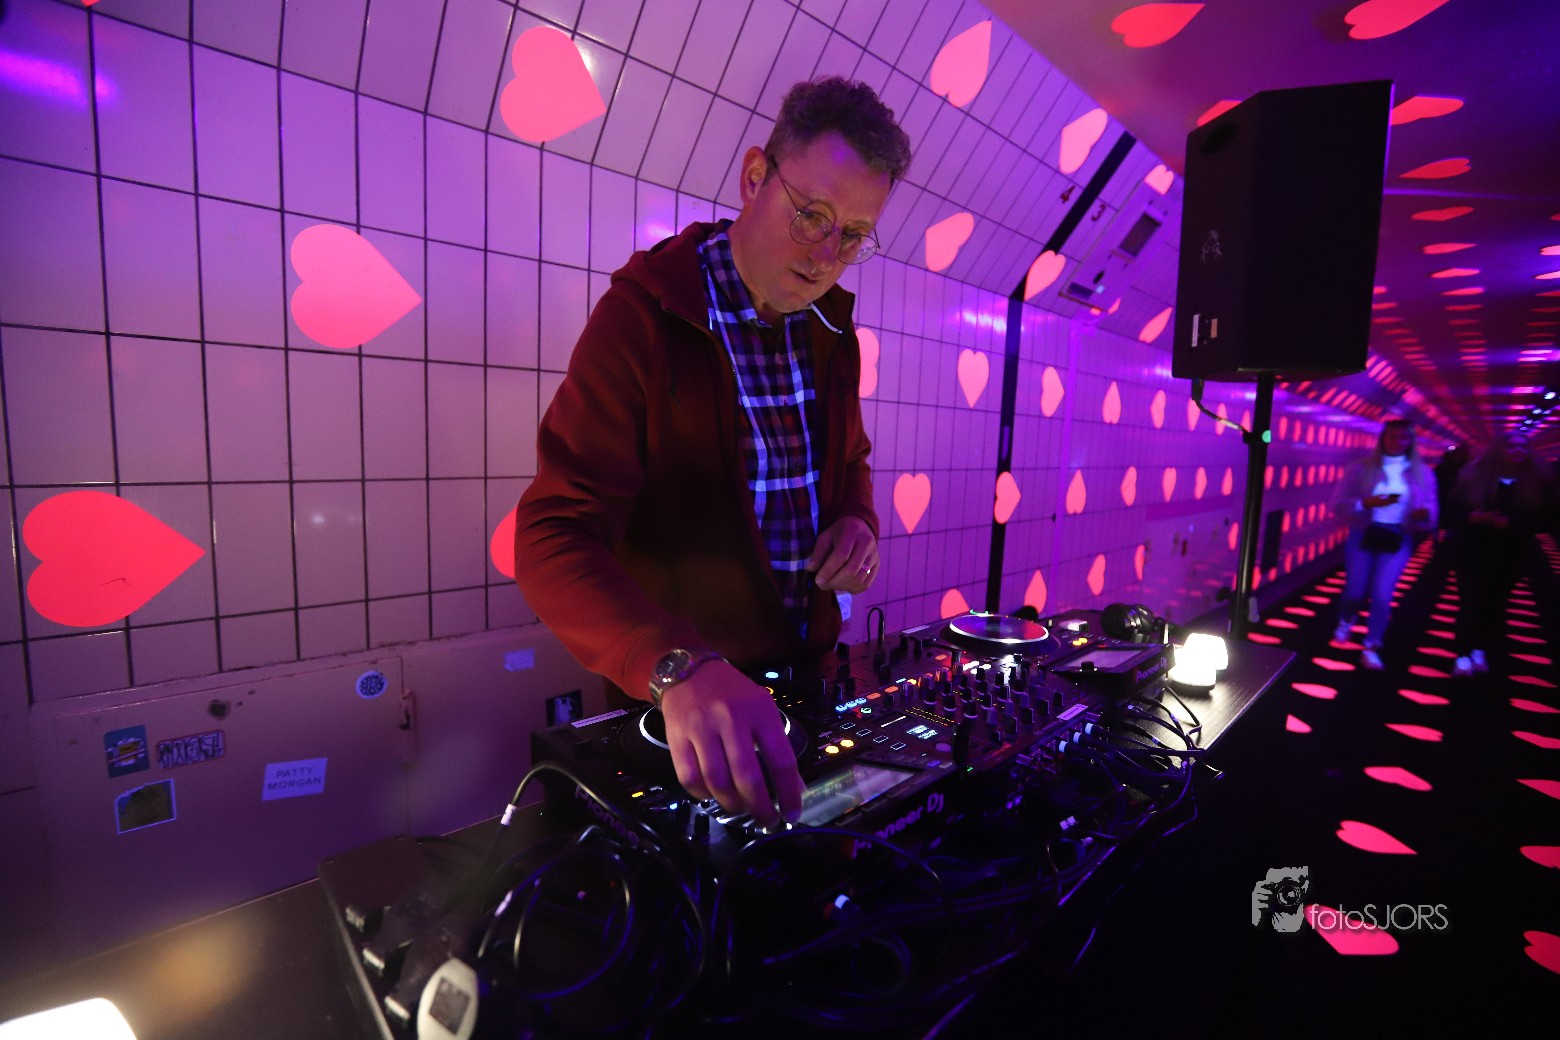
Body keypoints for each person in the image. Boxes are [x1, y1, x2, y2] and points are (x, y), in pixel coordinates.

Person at [513, 78, 913, 827]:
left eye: (854, 235)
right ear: (755, 176)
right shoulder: (643, 316)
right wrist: (675, 665)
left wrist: (858, 520)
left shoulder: (832, 329)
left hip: (807, 683)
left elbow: (850, 457)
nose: (827, 255)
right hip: (680, 706)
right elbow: (550, 533)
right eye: (811, 216)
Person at [1329, 417, 1438, 670]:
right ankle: (1346, 619)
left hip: (1398, 536)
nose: (1397, 442)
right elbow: (1337, 504)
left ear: (1411, 441)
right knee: (1355, 590)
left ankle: (1372, 645)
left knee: (1382, 593)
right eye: (1391, 436)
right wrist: (1367, 503)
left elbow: (1432, 507)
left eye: (1403, 437)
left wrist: (1423, 514)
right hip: (1364, 533)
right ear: (1382, 439)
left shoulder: (1423, 474)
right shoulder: (1360, 468)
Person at [1442, 433, 1553, 677]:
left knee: (1495, 603)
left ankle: (1480, 649)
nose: (1517, 450)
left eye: (1522, 446)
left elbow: (1547, 519)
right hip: (1474, 549)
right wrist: (1473, 518)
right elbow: (1451, 513)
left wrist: (1513, 523)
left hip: (1512, 553)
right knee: (1471, 600)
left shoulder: (1537, 482)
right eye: (1511, 446)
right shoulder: (1474, 477)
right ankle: (1462, 653)